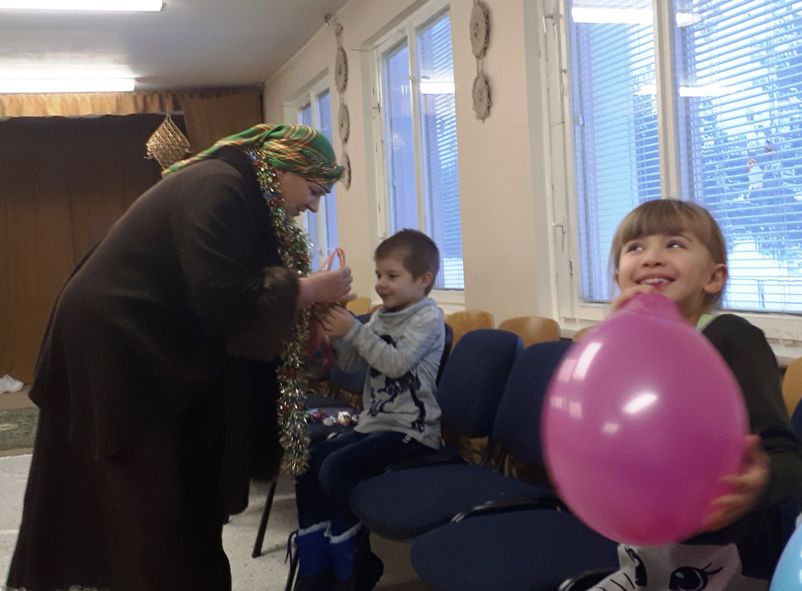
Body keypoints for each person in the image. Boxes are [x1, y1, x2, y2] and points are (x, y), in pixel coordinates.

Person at [6, 123, 354, 591]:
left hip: (139, 342)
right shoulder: (220, 186)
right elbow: (226, 301)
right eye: (314, 190)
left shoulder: (235, 188)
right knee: (151, 501)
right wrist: (308, 290)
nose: (313, 205)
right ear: (283, 168)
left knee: (164, 496)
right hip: (121, 348)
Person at [590, 199, 802, 590]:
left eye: (674, 244)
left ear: (714, 278)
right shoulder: (625, 353)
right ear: (619, 277)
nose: (652, 257)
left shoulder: (731, 337)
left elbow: (788, 459)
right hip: (645, 555)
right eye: (635, 247)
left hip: (726, 561)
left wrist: (758, 483)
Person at [292, 229, 446, 591]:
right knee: (308, 462)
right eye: (378, 274)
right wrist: (340, 331)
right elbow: (350, 363)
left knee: (338, 468)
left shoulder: (428, 318)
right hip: (374, 424)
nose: (381, 284)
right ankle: (316, 565)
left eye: (392, 275)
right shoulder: (380, 318)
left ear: (423, 280)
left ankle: (354, 563)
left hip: (412, 432)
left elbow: (396, 364)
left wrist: (355, 331)